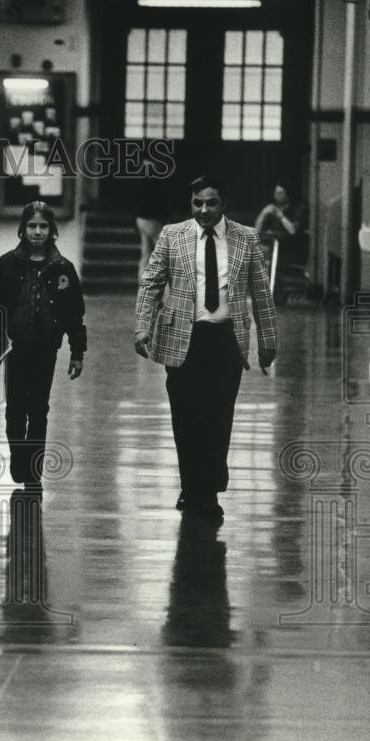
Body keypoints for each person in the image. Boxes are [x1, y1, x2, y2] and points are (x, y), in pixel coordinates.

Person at [134, 175, 277, 521]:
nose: (203, 209)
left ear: (223, 203)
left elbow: (261, 294)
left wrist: (269, 343)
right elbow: (151, 283)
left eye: (211, 203)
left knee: (217, 416)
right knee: (186, 418)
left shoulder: (246, 238)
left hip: (226, 340)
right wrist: (142, 326)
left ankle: (209, 488)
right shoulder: (172, 235)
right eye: (197, 203)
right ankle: (192, 486)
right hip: (183, 338)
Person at [0, 201, 86, 487]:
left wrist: (77, 351)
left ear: (52, 231)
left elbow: (74, 313)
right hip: (16, 348)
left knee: (39, 409)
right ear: (23, 230)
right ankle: (18, 455)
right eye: (32, 226)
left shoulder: (63, 269)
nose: (38, 232)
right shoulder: (8, 264)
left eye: (43, 227)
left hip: (46, 350)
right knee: (15, 410)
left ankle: (33, 470)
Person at [135, 160, 170, 280]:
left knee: (145, 253)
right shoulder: (154, 184)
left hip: (140, 219)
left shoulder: (140, 183)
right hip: (151, 220)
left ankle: (142, 285)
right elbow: (159, 204)